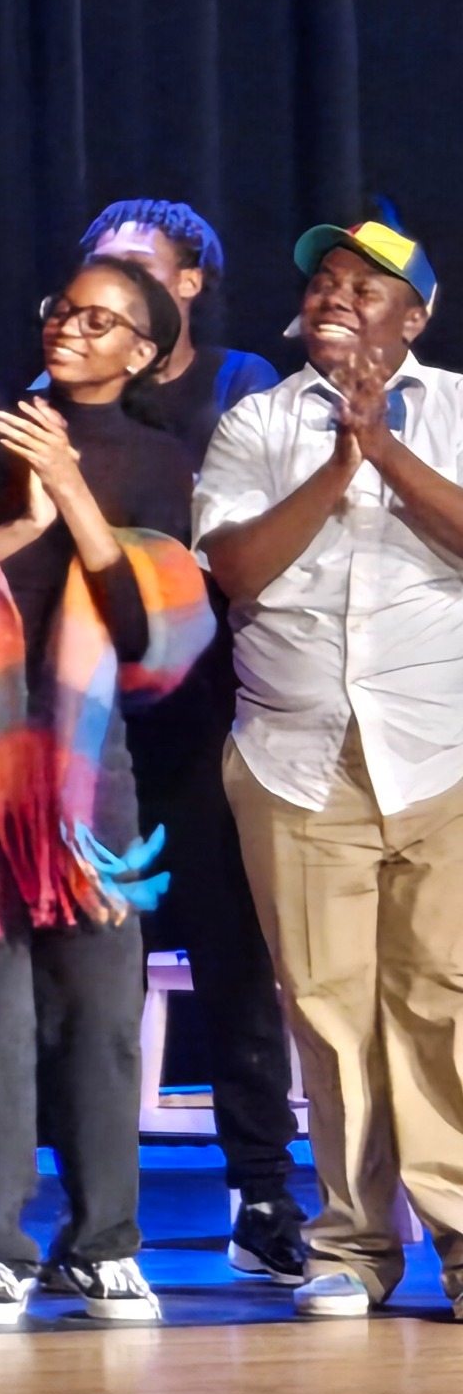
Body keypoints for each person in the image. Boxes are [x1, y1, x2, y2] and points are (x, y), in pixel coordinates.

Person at [0, 260, 213, 1329]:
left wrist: (72, 493)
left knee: (98, 1015)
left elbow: (154, 640)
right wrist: (19, 512)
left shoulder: (157, 458)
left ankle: (101, 1244)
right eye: (62, 310)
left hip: (90, 778)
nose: (72, 328)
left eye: (101, 320)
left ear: (143, 350)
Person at [198, 212, 463, 1321]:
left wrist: (387, 448)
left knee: (442, 1000)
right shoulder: (257, 422)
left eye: (364, 286)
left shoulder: (455, 409)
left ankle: (461, 1239)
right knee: (327, 1006)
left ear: (415, 314)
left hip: (440, 753)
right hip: (296, 759)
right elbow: (236, 566)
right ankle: (352, 1246)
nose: (334, 298)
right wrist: (340, 458)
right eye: (321, 284)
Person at [85, 197, 307, 1278]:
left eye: (131, 267)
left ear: (184, 284)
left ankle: (263, 1190)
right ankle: (91, 1212)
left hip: (210, 710)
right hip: (98, 722)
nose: (104, 288)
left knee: (232, 960)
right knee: (92, 965)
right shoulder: (68, 392)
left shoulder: (233, 387)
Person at [88, 198, 283, 465]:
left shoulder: (239, 378)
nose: (113, 280)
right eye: (102, 266)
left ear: (190, 282)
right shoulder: (71, 375)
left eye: (137, 267)